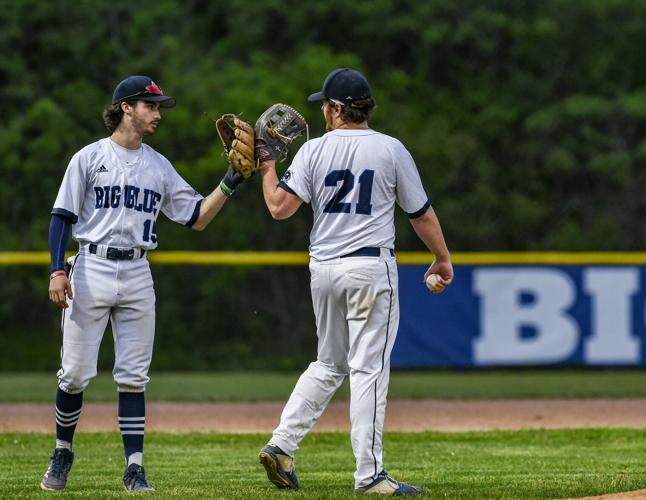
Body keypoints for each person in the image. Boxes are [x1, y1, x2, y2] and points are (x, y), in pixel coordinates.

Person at [41, 75, 247, 492]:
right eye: (151, 106)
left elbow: (197, 217)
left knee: (133, 377)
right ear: (126, 108)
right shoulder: (89, 158)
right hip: (91, 268)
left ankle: (134, 466)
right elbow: (61, 216)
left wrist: (231, 180)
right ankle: (62, 450)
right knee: (76, 374)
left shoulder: (158, 165)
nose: (157, 114)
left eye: (158, 107)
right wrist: (56, 270)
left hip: (137, 271)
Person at [255, 68, 453, 495]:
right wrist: (441, 257)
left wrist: (267, 165)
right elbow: (420, 214)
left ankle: (282, 445)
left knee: (329, 362)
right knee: (369, 368)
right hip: (369, 269)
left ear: (338, 109)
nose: (323, 111)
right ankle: (371, 475)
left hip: (323, 269)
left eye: (325, 105)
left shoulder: (312, 151)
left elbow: (279, 208)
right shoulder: (390, 149)